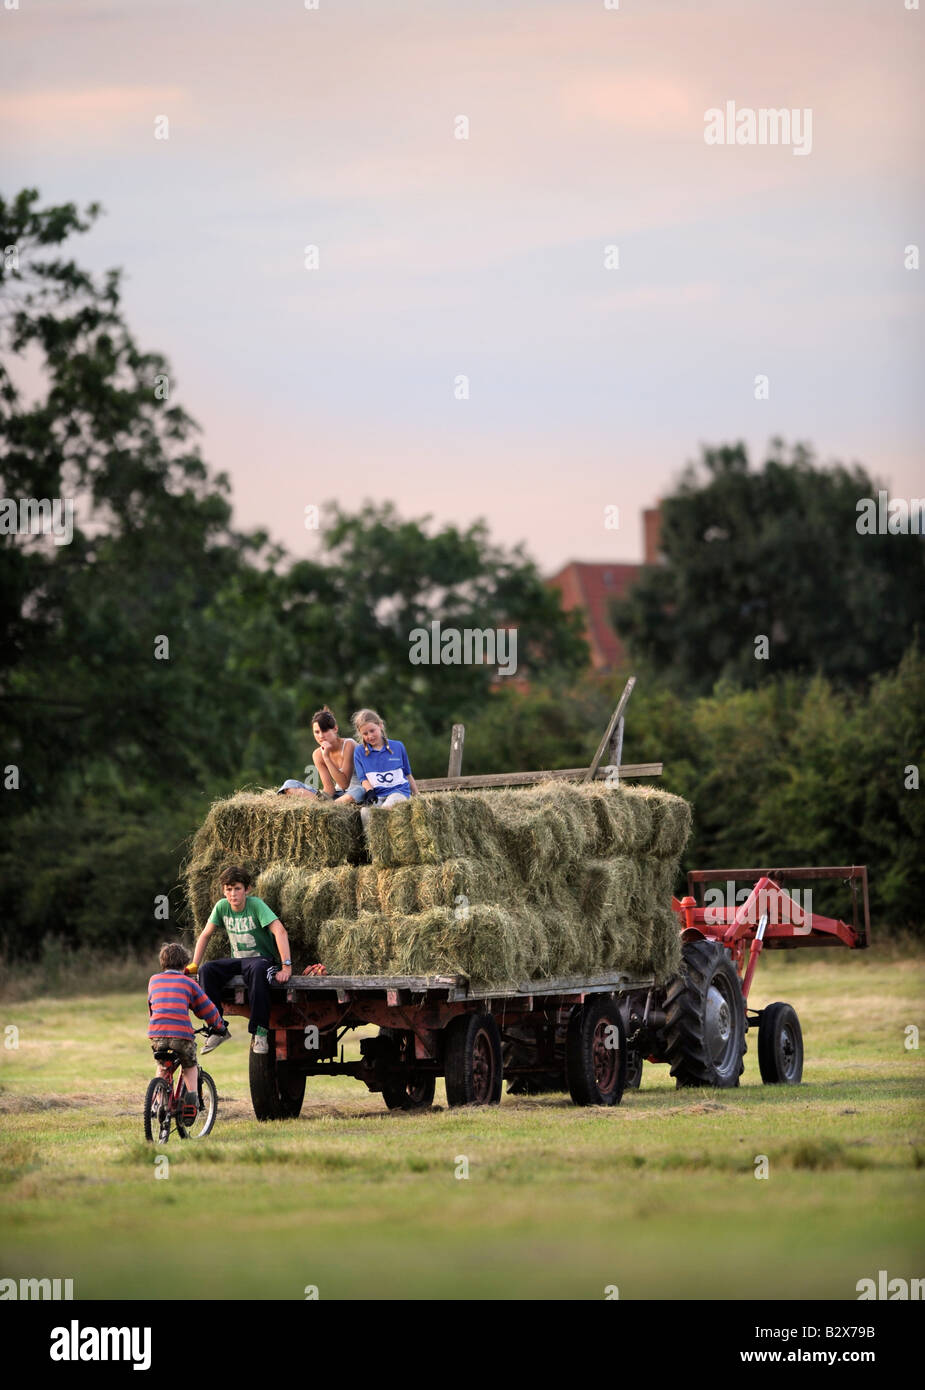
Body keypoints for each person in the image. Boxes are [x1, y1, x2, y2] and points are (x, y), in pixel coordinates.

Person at [189, 865, 293, 1056]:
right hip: (239, 962)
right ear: (223, 891)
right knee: (207, 970)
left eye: (237, 888)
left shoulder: (256, 905)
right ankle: (218, 1028)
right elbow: (205, 935)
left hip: (262, 961)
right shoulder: (222, 907)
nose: (233, 894)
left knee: (258, 970)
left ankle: (260, 1031)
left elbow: (280, 931)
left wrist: (286, 966)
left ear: (247, 889)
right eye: (228, 889)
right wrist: (194, 965)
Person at [147, 942, 225, 1126]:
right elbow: (206, 1008)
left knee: (163, 1065)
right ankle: (191, 1103)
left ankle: (158, 1102)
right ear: (185, 964)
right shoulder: (188, 982)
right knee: (189, 1065)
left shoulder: (153, 980)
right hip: (181, 1036)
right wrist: (219, 1026)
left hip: (157, 1034)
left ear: (162, 962)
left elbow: (152, 1007)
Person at [351, 708, 419, 808]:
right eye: (365, 734)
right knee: (366, 812)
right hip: (378, 794)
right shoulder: (359, 752)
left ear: (380, 726)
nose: (370, 736)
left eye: (372, 731)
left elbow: (408, 774)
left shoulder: (398, 746)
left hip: (399, 792)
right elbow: (363, 779)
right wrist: (370, 792)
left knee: (386, 808)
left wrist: (417, 795)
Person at [310, 706, 364, 804]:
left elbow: (344, 784)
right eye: (317, 732)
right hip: (338, 794)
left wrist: (326, 758)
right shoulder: (317, 754)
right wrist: (319, 800)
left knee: (358, 791)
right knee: (290, 784)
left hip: (356, 793)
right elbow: (329, 788)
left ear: (335, 729)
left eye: (325, 730)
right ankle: (326, 807)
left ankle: (331, 807)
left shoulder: (349, 744)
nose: (321, 736)